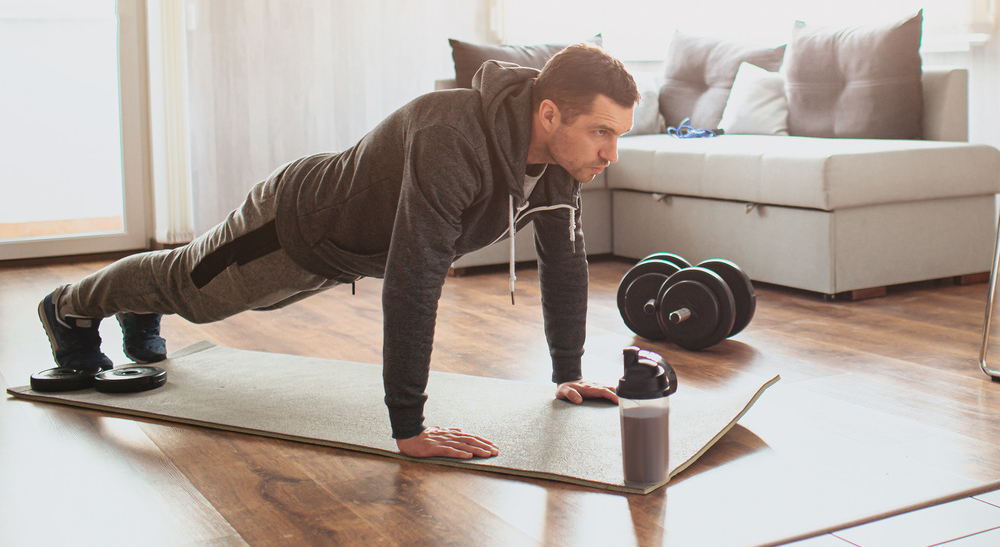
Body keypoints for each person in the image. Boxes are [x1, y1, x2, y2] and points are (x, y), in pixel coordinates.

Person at [37, 43, 640, 459]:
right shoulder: (451, 135)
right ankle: (68, 307)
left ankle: (142, 308)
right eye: (602, 131)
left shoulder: (561, 168)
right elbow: (416, 278)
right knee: (193, 293)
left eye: (619, 135)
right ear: (550, 112)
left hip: (345, 253)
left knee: (190, 294)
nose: (611, 153)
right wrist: (410, 428)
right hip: (292, 220)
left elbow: (564, 266)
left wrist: (569, 374)